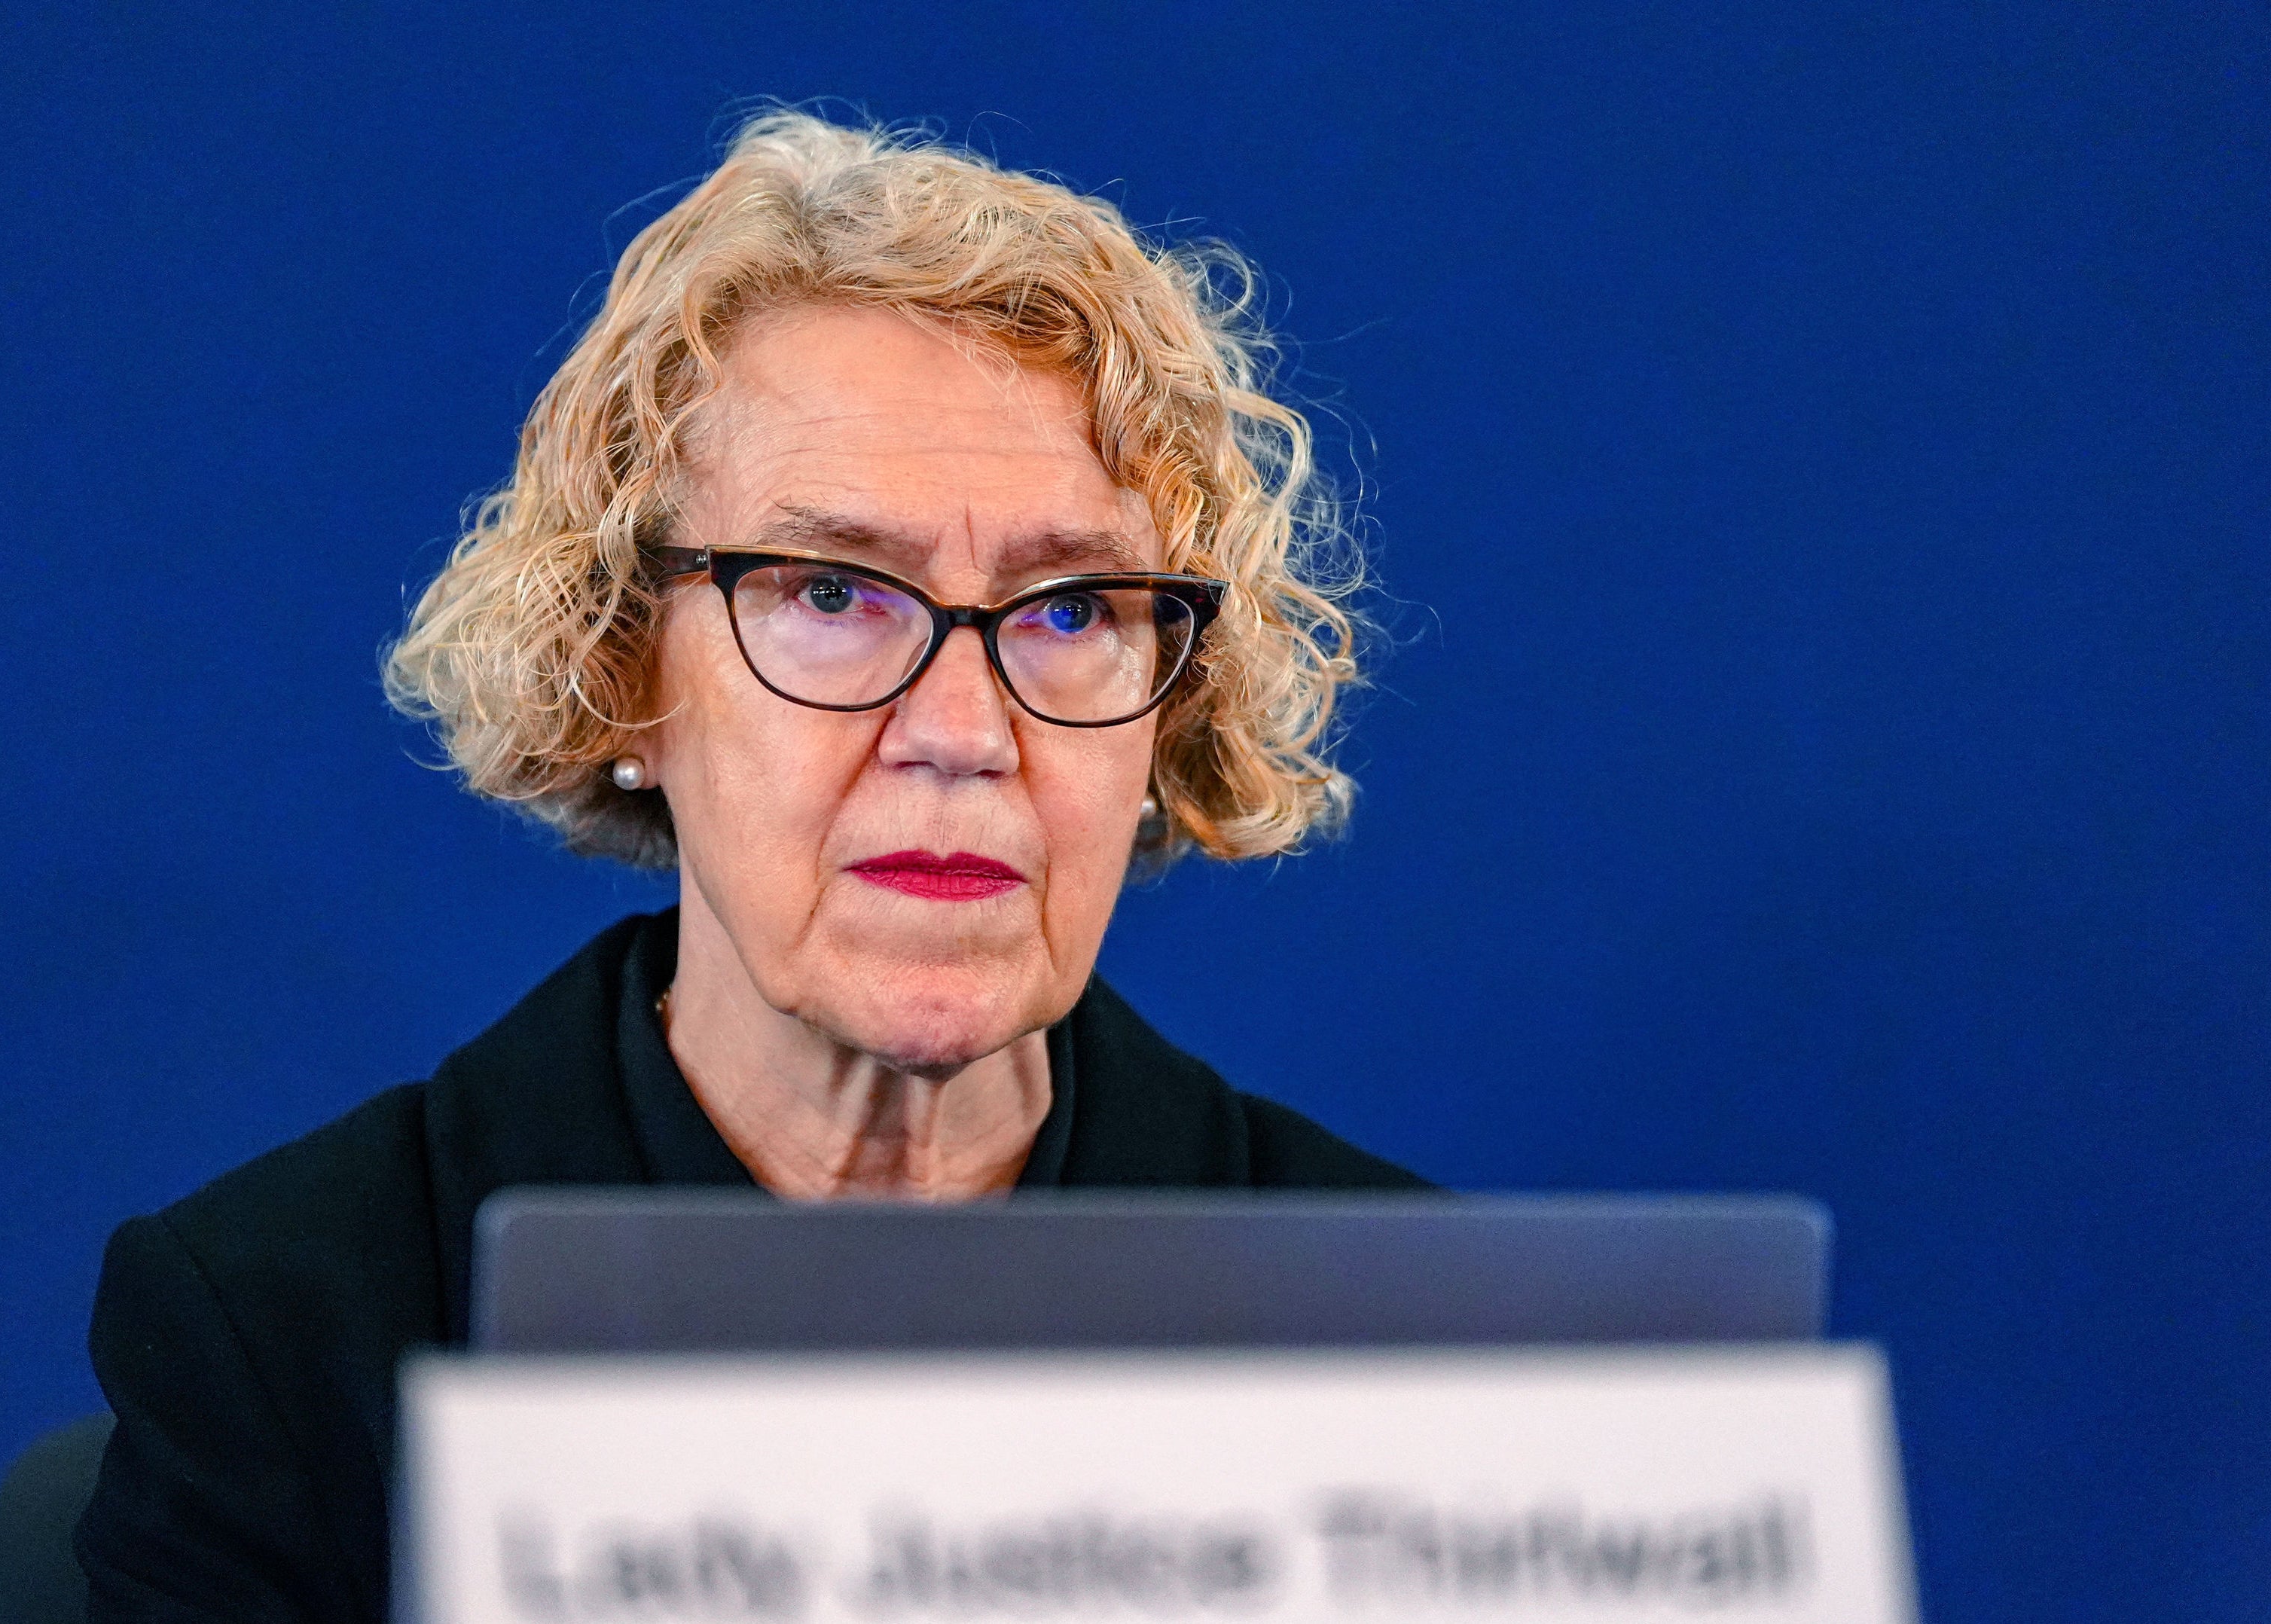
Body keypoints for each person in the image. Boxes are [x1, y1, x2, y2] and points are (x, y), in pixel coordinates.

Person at [75, 110, 1426, 1622]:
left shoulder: (1408, 1333)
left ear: (1170, 708)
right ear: (622, 672)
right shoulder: (289, 1330)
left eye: (1069, 610)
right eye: (836, 591)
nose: (964, 731)